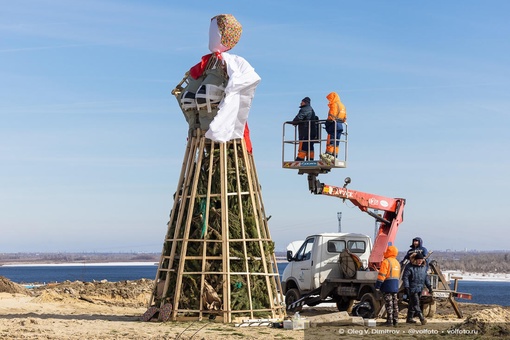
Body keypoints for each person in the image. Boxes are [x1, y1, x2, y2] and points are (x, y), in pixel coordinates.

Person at [402, 252, 433, 325]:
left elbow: (426, 278)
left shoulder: (424, 267)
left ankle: (409, 318)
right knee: (416, 304)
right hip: (412, 288)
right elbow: (405, 277)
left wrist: (429, 287)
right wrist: (406, 287)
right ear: (415, 260)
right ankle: (422, 318)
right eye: (418, 260)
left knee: (412, 303)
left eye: (421, 260)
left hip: (420, 288)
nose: (420, 261)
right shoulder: (409, 267)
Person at [375, 245, 401, 327]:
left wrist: (378, 286)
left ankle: (389, 322)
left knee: (389, 304)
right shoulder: (397, 262)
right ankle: (395, 321)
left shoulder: (386, 261)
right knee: (395, 304)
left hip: (387, 286)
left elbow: (382, 275)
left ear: (388, 252)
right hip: (395, 286)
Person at [320, 92, 346, 163]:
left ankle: (329, 154)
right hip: (340, 125)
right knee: (337, 141)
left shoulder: (334, 104)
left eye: (330, 99)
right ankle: (335, 154)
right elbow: (344, 118)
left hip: (334, 125)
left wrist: (327, 123)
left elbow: (331, 116)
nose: (329, 101)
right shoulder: (342, 105)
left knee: (331, 139)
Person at [293, 97, 316, 161]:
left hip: (305, 131)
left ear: (305, 102)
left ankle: (300, 158)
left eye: (302, 102)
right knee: (310, 145)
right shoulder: (311, 109)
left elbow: (299, 118)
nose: (300, 103)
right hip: (312, 131)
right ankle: (310, 158)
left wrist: (294, 122)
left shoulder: (304, 109)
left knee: (303, 145)